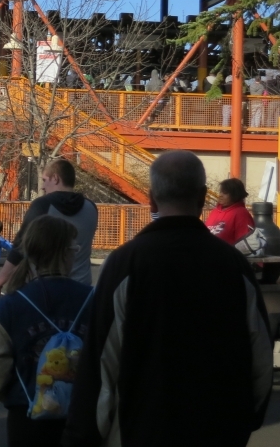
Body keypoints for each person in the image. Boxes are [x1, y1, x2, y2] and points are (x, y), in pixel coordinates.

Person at [63, 150, 273, 446]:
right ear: (202, 198)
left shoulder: (126, 264)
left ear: (151, 199)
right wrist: (244, 419)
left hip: (143, 427)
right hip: (219, 428)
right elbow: (261, 357)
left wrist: (82, 435)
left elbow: (102, 361)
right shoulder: (233, 266)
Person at [0, 216, 94, 447]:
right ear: (67, 253)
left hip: (27, 415)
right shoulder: (95, 300)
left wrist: (15, 394)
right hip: (83, 417)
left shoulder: (9, 307)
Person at [0, 158, 98, 292]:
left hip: (45, 289)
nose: (42, 186)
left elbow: (20, 247)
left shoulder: (42, 205)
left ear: (56, 179)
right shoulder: (91, 208)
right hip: (82, 287)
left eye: (45, 180)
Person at [205, 177, 256, 246]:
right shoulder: (214, 212)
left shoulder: (241, 214)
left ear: (235, 195)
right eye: (221, 192)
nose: (220, 195)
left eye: (225, 193)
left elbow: (243, 245)